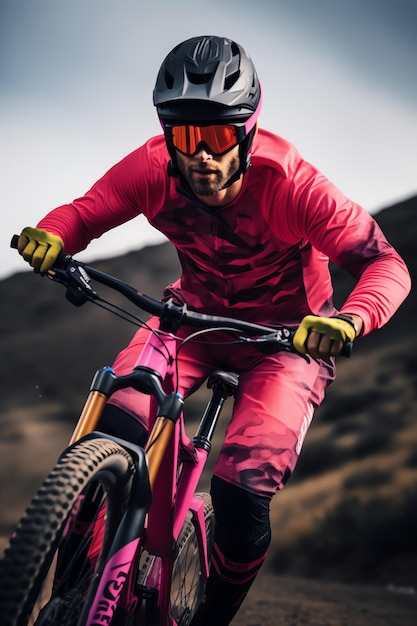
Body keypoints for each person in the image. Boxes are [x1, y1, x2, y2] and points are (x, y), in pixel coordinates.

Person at [16, 35, 410, 625]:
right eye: (184, 135)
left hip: (286, 345)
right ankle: (69, 585)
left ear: (247, 131)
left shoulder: (294, 184)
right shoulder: (152, 167)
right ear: (167, 133)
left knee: (240, 492)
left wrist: (348, 319)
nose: (199, 154)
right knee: (117, 416)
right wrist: (53, 235)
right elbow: (84, 211)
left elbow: (388, 265)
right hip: (190, 322)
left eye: (218, 136)